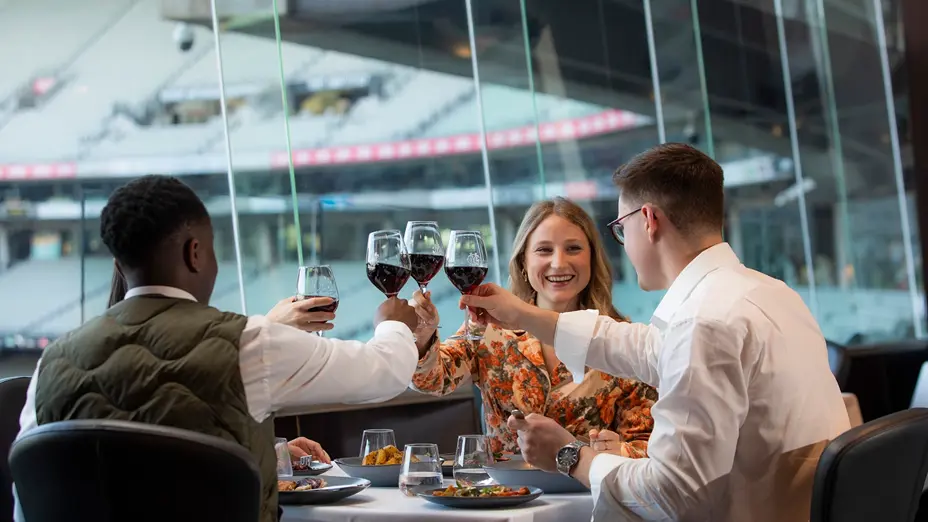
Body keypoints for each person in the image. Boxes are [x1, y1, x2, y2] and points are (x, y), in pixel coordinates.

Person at [458, 143, 850, 522]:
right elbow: (645, 347)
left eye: (620, 228)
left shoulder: (704, 322)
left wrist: (569, 456)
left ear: (648, 220)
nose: (624, 245)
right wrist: (524, 314)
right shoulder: (771, 294)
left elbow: (672, 496)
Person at [13, 175, 421, 522]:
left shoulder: (51, 363)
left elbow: (35, 497)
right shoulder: (249, 343)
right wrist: (394, 325)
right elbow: (382, 371)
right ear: (195, 253)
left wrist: (266, 449)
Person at [409, 197, 656, 456]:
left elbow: (648, 446)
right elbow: (431, 380)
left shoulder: (622, 340)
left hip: (584, 493)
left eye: (573, 248)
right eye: (544, 250)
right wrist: (424, 336)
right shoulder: (487, 329)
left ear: (592, 260)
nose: (559, 263)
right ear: (523, 263)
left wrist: (617, 451)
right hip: (506, 492)